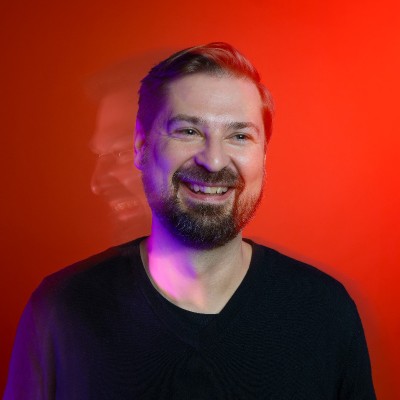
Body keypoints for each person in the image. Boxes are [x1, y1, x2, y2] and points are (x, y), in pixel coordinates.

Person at [4, 42, 376, 399]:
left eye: (239, 135)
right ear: (141, 147)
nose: (213, 161)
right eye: (188, 131)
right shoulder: (62, 309)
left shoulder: (325, 311)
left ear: (264, 156)